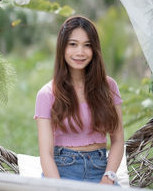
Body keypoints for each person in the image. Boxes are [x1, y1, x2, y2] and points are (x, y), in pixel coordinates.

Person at [34, 15, 124, 185]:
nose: (80, 52)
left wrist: (108, 177)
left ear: (94, 49)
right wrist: (58, 187)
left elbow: (118, 140)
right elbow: (45, 153)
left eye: (87, 45)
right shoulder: (46, 94)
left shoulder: (109, 86)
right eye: (73, 44)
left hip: (101, 169)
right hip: (61, 171)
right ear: (62, 48)